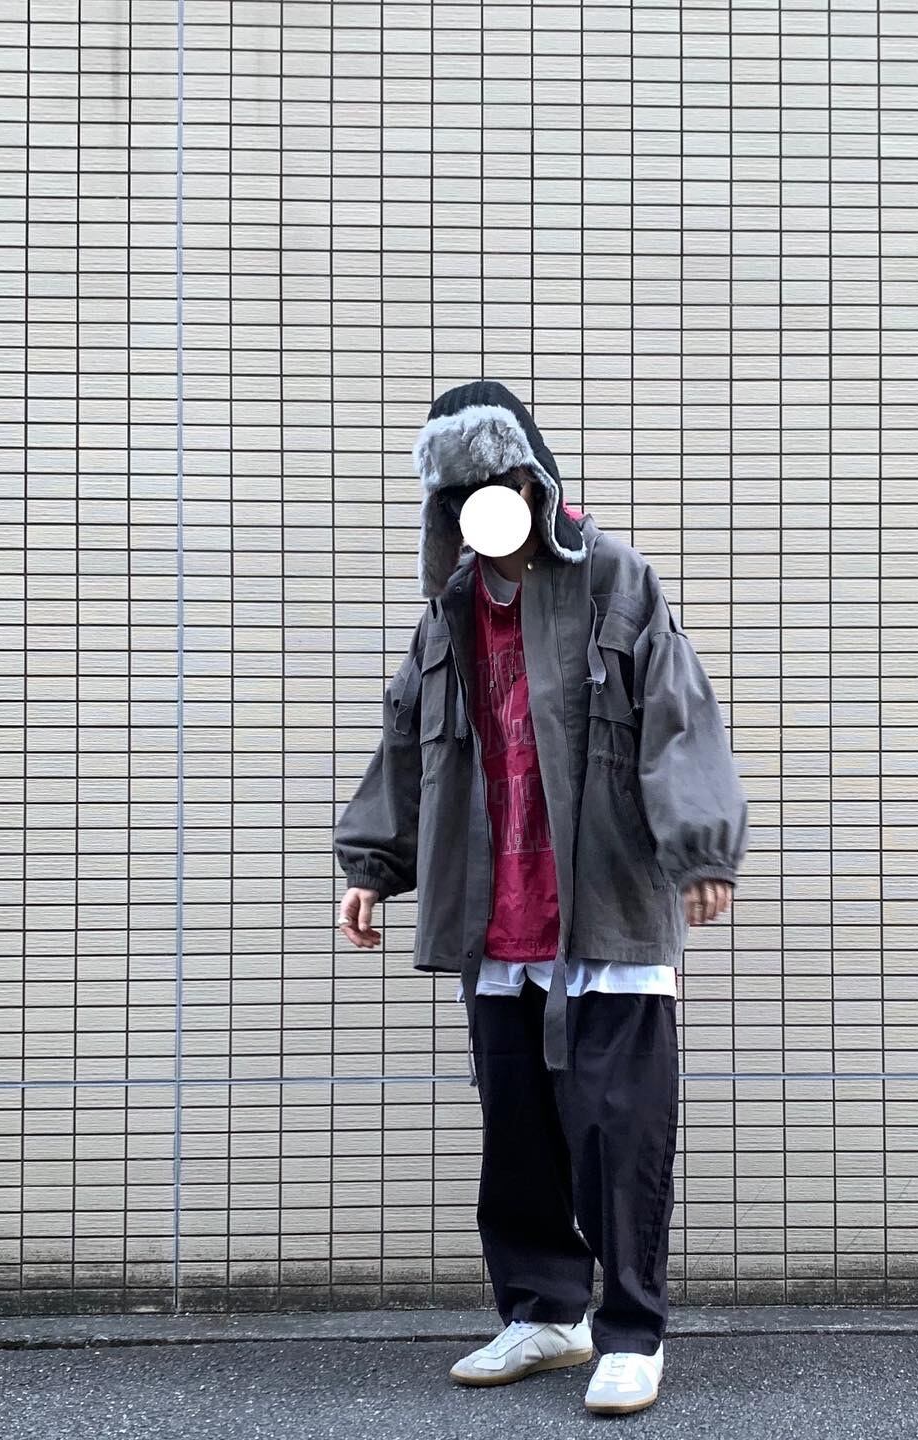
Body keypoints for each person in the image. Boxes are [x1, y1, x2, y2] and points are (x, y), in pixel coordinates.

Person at [333, 379, 749, 1415]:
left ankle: (632, 1331)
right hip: (498, 917)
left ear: (535, 481)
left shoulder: (615, 580)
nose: (485, 504)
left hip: (606, 908)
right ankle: (546, 1313)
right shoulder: (449, 614)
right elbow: (406, 743)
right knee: (516, 1131)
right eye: (462, 492)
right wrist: (371, 865)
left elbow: (680, 717)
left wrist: (700, 847)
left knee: (619, 1130)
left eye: (501, 482)